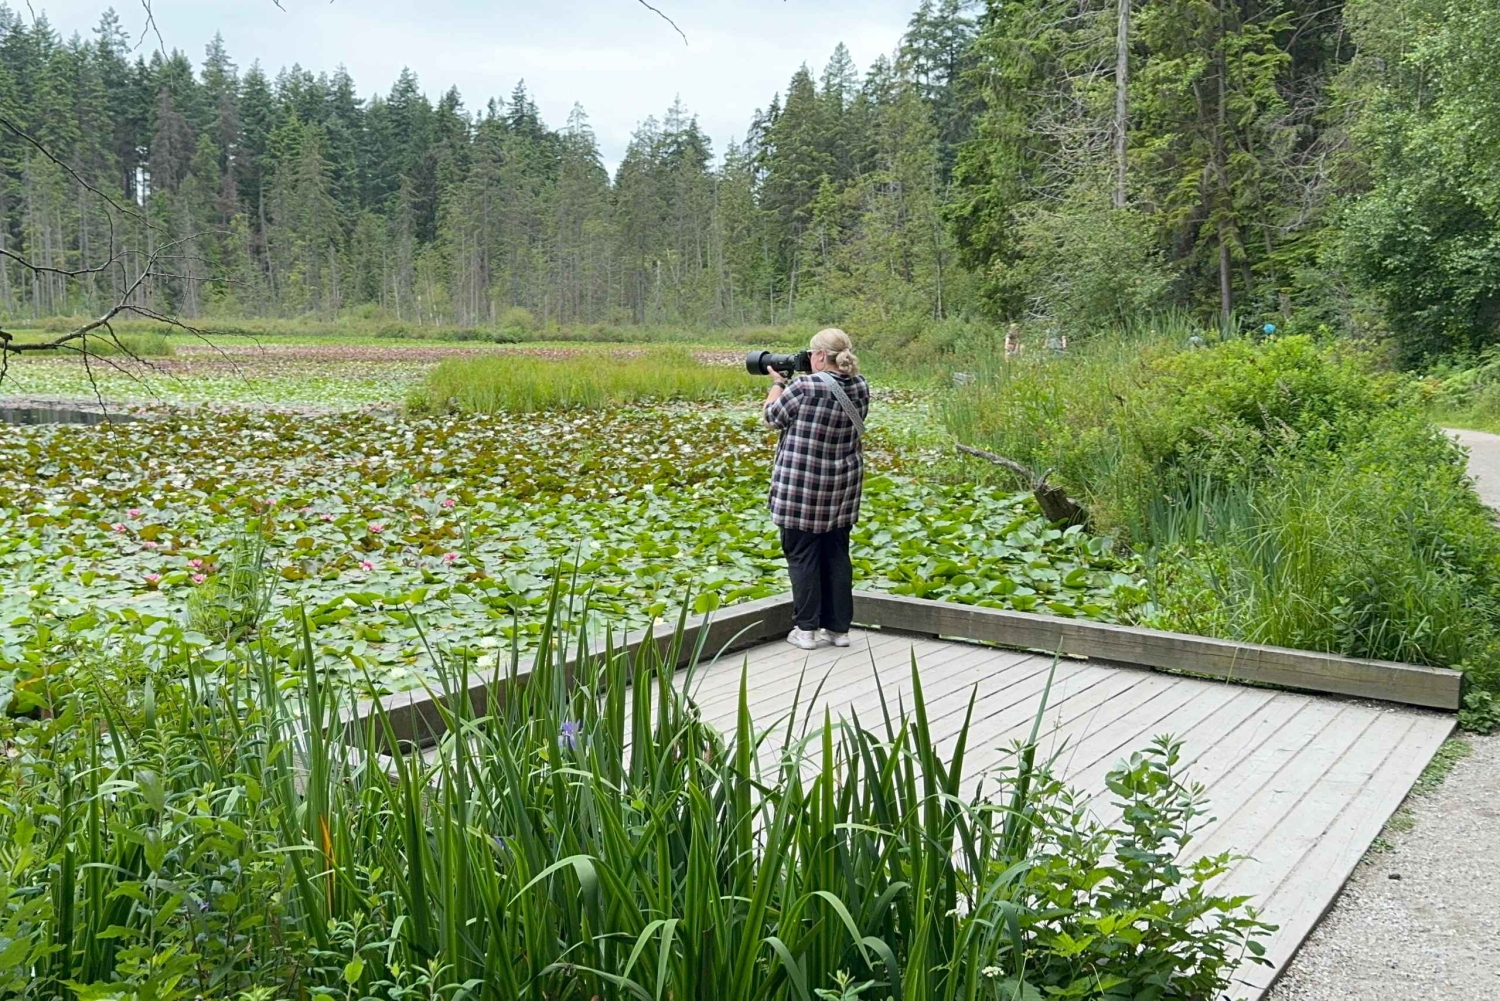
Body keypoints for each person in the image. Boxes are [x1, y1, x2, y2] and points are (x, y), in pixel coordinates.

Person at [763, 328, 870, 650]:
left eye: (811, 353)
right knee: (837, 554)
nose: (808, 358)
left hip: (803, 488)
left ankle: (806, 630)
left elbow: (771, 418)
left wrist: (777, 385)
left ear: (821, 356)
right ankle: (838, 630)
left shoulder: (804, 386)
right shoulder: (861, 385)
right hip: (842, 487)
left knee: (802, 554)